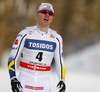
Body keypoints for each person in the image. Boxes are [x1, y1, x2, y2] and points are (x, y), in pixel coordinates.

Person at [8, 3, 66, 92]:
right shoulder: (24, 33)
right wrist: (13, 79)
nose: (47, 14)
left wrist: (62, 80)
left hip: (44, 85)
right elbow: (12, 58)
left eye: (50, 13)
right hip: (24, 82)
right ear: (37, 15)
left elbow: (60, 63)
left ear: (52, 18)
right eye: (44, 12)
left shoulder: (56, 38)